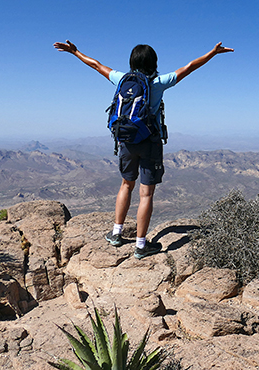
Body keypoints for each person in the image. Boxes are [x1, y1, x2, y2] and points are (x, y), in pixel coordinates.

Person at [53, 40, 233, 258]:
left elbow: (97, 65)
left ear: (132, 61)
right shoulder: (158, 82)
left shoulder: (122, 79)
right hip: (150, 142)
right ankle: (140, 245)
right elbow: (190, 67)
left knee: (125, 185)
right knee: (146, 193)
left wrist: (75, 52)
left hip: (126, 141)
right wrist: (212, 53)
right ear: (154, 62)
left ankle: (116, 233)